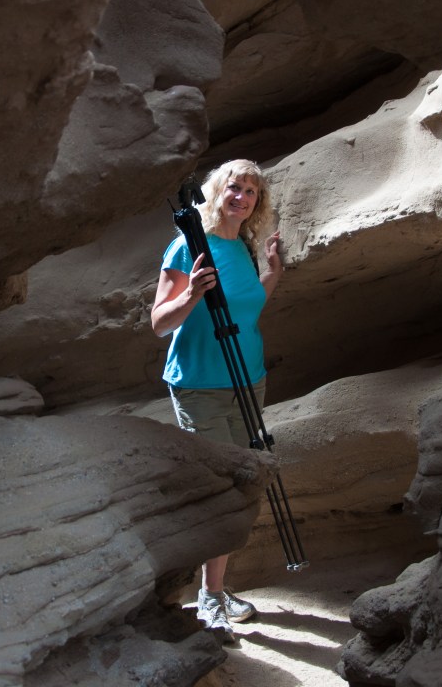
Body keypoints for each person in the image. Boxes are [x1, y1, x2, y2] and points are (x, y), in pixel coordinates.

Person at [150, 159, 283, 643]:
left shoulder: (244, 247)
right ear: (216, 192)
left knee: (243, 483)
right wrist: (191, 298)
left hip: (249, 380)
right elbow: (160, 322)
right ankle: (208, 596)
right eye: (234, 187)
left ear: (257, 202)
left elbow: (245, 310)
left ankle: (217, 589)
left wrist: (272, 274)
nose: (241, 196)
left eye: (251, 190)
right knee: (217, 488)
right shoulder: (188, 246)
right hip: (201, 383)